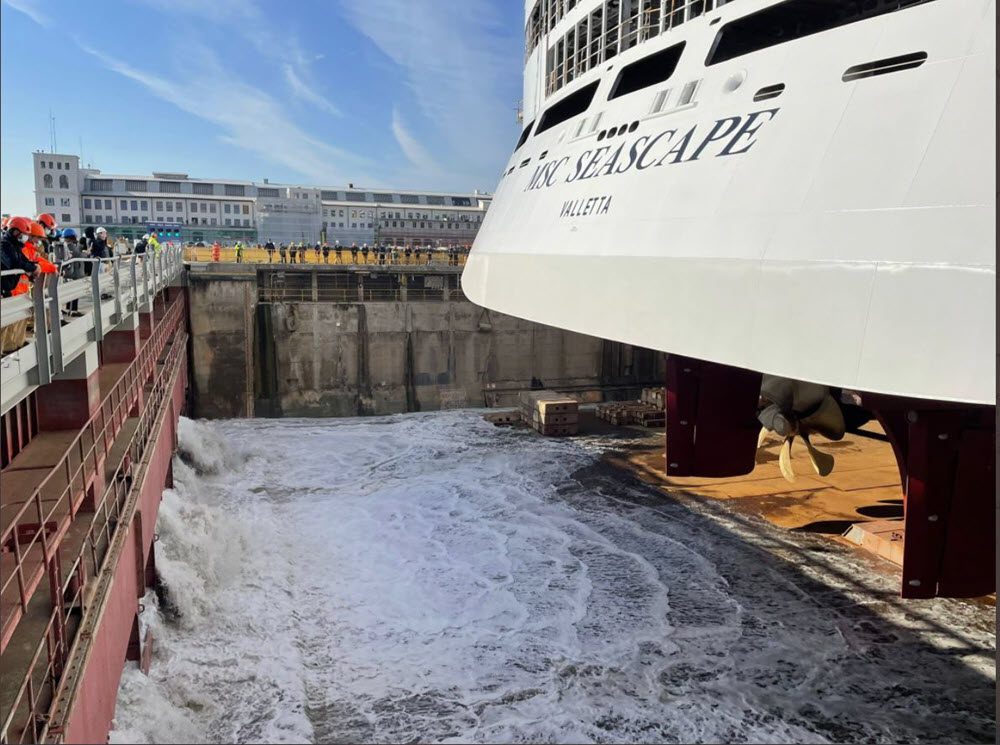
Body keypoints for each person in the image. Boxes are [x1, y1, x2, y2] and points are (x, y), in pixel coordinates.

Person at [1, 217, 39, 297]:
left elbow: (24, 260)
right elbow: (15, 263)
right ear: (15, 232)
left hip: (7, 288)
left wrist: (35, 266)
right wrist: (33, 268)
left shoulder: (15, 246)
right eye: (23, 234)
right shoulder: (4, 245)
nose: (25, 237)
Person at [57, 228, 85, 315]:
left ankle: (68, 308)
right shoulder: (71, 246)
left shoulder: (65, 246)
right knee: (75, 292)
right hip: (75, 273)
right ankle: (73, 310)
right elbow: (79, 255)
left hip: (69, 273)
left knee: (69, 291)